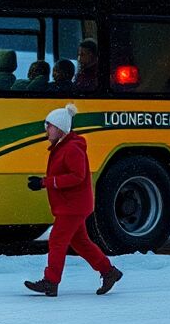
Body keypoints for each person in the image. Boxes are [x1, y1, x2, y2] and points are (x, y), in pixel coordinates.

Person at [23, 103, 123, 297]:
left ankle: (51, 282)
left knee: (57, 240)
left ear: (60, 128)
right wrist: (44, 182)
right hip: (71, 205)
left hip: (73, 206)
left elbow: (77, 176)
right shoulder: (62, 147)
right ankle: (109, 271)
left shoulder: (72, 149)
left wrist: (45, 182)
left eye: (49, 126)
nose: (46, 129)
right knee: (81, 242)